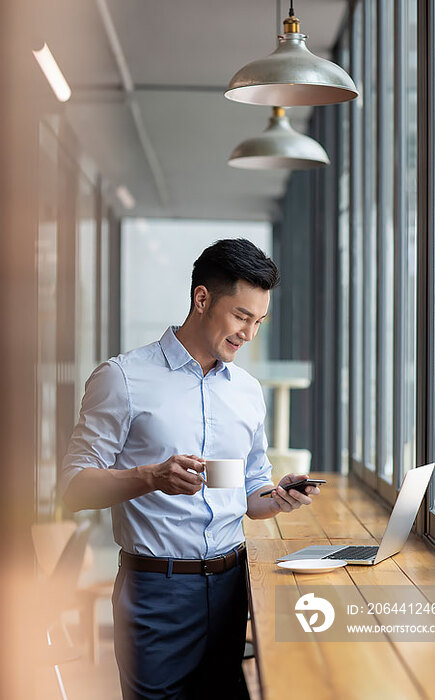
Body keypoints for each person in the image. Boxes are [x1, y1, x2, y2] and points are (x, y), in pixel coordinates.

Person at [60, 238, 320, 699]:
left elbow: (249, 492)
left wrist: (277, 497)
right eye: (241, 316)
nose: (249, 334)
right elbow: (74, 487)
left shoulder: (247, 391)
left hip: (229, 589)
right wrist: (150, 476)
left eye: (259, 321)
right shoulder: (122, 379)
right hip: (154, 593)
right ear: (202, 299)